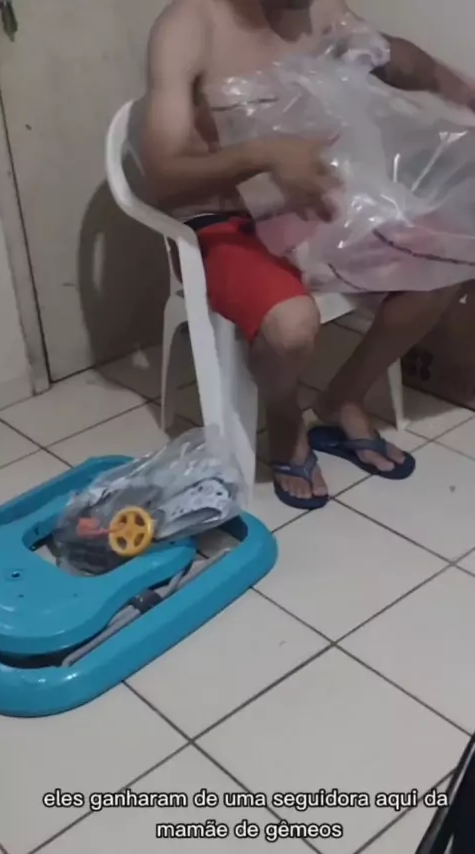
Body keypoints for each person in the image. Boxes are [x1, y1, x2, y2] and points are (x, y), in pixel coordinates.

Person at [141, 0, 474, 509]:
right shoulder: (188, 27)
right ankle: (283, 414)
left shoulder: (314, 7)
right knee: (292, 327)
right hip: (225, 221)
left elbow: (400, 61)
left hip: (313, 203)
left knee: (452, 255)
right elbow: (162, 178)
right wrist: (262, 155)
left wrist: (454, 87)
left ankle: (343, 397)